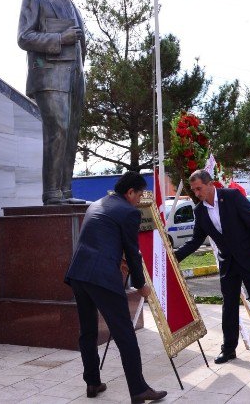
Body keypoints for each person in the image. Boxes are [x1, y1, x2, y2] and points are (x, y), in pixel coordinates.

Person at [65, 171, 168, 403]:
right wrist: (141, 285)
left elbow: (101, 239)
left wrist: (115, 259)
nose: (141, 200)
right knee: (125, 333)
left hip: (79, 273)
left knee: (88, 331)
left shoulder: (98, 203)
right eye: (140, 194)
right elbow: (132, 253)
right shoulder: (129, 212)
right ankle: (139, 389)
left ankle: (92, 382)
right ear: (130, 192)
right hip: (102, 277)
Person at [174, 169, 250, 368]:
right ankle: (228, 349)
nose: (197, 193)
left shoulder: (232, 197)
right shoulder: (199, 211)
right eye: (194, 190)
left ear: (210, 184)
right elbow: (195, 240)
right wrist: (174, 258)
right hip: (227, 263)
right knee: (228, 306)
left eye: (199, 188)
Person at [17, 0, 86, 205]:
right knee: (58, 130)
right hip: (49, 76)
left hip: (75, 79)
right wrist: (60, 38)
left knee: (71, 134)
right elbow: (24, 37)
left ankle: (65, 191)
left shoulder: (73, 6)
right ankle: (52, 194)